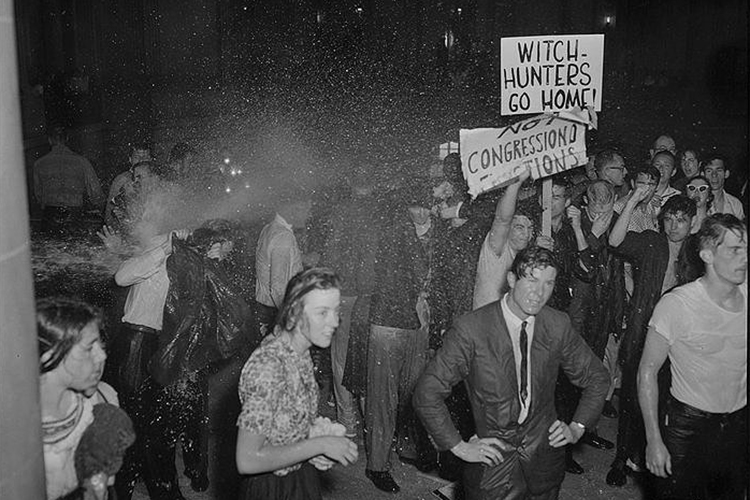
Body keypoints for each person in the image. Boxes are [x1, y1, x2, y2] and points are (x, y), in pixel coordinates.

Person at [414, 246, 610, 500]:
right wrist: (457, 446)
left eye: (548, 283)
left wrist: (577, 426)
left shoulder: (557, 323)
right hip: (492, 469)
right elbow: (427, 393)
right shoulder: (472, 329)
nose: (539, 293)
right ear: (511, 280)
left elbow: (597, 377)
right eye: (531, 280)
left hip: (544, 465)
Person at [638, 214, 747, 499]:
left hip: (738, 423)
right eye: (735, 250)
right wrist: (653, 440)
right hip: (688, 426)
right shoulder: (677, 304)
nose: (744, 257)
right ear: (707, 255)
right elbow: (646, 371)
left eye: (747, 249)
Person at [235, 268, 359, 500]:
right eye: (322, 313)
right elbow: (247, 459)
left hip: (298, 475)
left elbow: (282, 424)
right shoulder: (269, 365)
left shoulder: (300, 350)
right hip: (272, 488)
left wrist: (313, 442)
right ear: (293, 315)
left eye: (336, 311)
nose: (334, 322)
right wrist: (319, 445)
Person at [606, 194, 697, 487]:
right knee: (633, 400)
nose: (674, 226)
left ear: (692, 222)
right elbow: (616, 241)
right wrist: (632, 200)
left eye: (681, 220)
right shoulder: (651, 242)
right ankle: (621, 459)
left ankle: (646, 456)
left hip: (678, 341)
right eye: (669, 219)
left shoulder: (697, 253)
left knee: (664, 403)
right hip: (642, 334)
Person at [364, 185, 435, 493]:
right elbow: (410, 271)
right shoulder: (394, 229)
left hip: (417, 322)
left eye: (426, 204)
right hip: (389, 324)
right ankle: (377, 465)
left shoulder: (430, 230)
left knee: (413, 393)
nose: (422, 211)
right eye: (415, 205)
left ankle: (408, 448)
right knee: (383, 397)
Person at [38, 296, 130, 500]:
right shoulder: (13, 425)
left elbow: (101, 490)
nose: (102, 356)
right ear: (50, 355)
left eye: (101, 346)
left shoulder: (103, 406)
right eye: (89, 348)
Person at [319, 169, 382, 439]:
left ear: (351, 184)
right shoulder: (382, 212)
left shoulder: (341, 212)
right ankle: (372, 420)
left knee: (341, 357)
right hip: (373, 295)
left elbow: (332, 251)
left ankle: (348, 419)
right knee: (370, 357)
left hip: (345, 292)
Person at [472, 168, 538, 310]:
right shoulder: (496, 248)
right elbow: (502, 219)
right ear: (508, 230)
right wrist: (516, 182)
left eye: (530, 228)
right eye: (519, 228)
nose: (526, 234)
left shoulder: (523, 257)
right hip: (487, 326)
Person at [253, 196, 312, 336]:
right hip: (275, 312)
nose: (309, 214)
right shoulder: (283, 237)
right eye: (305, 209)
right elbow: (278, 288)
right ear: (292, 210)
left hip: (266, 310)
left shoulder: (270, 228)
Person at [33, 125, 104, 230]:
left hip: (50, 215)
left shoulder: (39, 164)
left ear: (49, 140)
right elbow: (96, 193)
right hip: (74, 215)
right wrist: (100, 208)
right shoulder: (82, 162)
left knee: (50, 245)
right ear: (67, 139)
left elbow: (38, 195)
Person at [105, 143, 153, 228]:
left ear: (150, 159)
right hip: (129, 231)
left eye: (145, 157)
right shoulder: (122, 180)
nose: (141, 160)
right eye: (137, 157)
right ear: (130, 159)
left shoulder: (157, 179)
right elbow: (109, 215)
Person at [703, 154, 745, 220]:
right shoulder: (699, 202)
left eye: (719, 170)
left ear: (726, 174)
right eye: (709, 171)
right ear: (703, 174)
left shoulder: (735, 204)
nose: (714, 175)